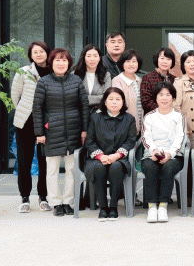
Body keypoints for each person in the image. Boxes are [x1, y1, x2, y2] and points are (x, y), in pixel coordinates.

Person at [33, 48, 89, 217]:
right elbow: (37, 108)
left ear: (69, 63)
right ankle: (56, 202)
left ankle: (68, 201)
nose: (61, 63)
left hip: (73, 129)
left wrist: (84, 129)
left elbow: (84, 106)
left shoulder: (76, 81)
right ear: (51, 63)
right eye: (57, 60)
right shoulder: (44, 82)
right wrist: (39, 132)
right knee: (52, 169)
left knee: (72, 169)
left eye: (64, 60)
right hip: (51, 131)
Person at [84, 87, 137, 221]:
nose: (114, 102)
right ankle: (103, 208)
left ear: (123, 102)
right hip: (98, 159)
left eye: (118, 99)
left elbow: (131, 141)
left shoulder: (129, 119)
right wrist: (100, 156)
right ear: (105, 102)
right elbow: (89, 141)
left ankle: (113, 207)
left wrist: (117, 155)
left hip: (120, 159)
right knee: (99, 168)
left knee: (116, 167)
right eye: (111, 99)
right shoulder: (96, 118)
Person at [11, 41, 51, 213]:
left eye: (42, 51)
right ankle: (25, 197)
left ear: (47, 53)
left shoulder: (52, 72)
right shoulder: (23, 71)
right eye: (35, 52)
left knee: (44, 161)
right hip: (25, 122)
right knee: (24, 161)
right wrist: (24, 110)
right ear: (31, 55)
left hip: (46, 123)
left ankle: (43, 197)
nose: (39, 54)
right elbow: (15, 95)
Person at [141, 82, 186, 223]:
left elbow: (180, 138)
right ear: (156, 97)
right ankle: (152, 207)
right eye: (161, 95)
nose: (164, 98)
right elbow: (146, 137)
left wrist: (170, 154)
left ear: (173, 98)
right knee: (150, 167)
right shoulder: (149, 117)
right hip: (151, 154)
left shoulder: (178, 116)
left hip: (173, 155)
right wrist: (153, 151)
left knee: (168, 168)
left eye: (168, 95)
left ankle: (163, 206)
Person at [112, 49, 144, 133]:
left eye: (134, 61)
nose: (131, 64)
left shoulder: (140, 81)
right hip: (124, 129)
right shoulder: (117, 81)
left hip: (141, 128)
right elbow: (117, 106)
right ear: (122, 63)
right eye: (128, 61)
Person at [73, 44, 111, 112]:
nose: (92, 59)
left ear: (99, 58)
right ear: (84, 58)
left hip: (99, 113)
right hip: (78, 112)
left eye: (95, 56)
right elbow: (73, 96)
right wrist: (98, 98)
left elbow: (107, 97)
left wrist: (84, 98)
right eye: (89, 56)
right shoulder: (74, 74)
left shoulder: (106, 75)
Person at [140, 47, 177, 115]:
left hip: (172, 117)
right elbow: (146, 102)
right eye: (162, 58)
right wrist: (165, 110)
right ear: (157, 59)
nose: (165, 62)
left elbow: (176, 100)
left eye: (168, 59)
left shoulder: (174, 79)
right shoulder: (147, 78)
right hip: (153, 117)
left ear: (172, 62)